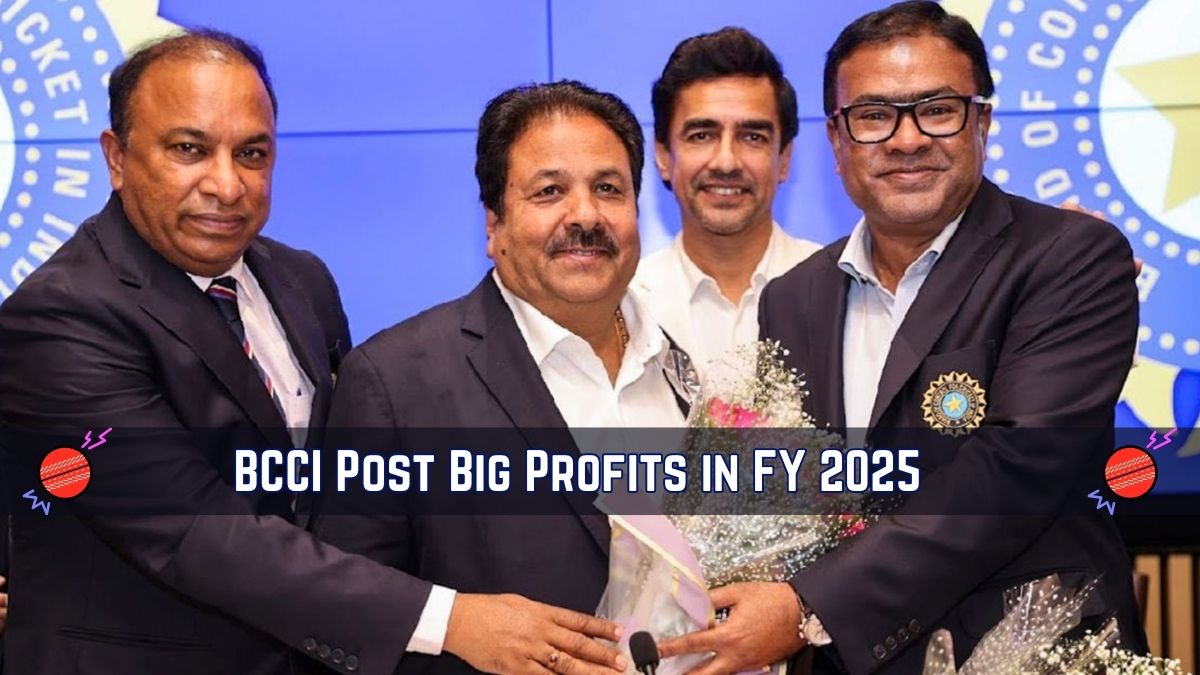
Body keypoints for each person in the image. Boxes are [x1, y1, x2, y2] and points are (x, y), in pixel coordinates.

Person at [658, 2, 1147, 673]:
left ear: (982, 122)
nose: (907, 139)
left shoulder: (1069, 256)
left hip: (1033, 655)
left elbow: (1016, 471)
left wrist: (808, 607)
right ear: (836, 140)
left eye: (937, 110)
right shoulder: (793, 298)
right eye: (873, 116)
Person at [0, 30, 454, 675]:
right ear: (117, 157)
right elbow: (194, 532)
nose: (227, 184)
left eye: (251, 153)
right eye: (189, 149)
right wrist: (445, 619)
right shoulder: (59, 317)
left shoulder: (302, 280)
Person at [313, 81, 688, 674]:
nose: (585, 215)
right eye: (549, 191)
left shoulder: (685, 366)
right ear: (494, 224)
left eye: (608, 189)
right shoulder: (395, 383)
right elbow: (344, 615)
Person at [633, 28, 820, 375]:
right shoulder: (626, 306)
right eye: (702, 135)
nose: (726, 162)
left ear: (784, 158)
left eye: (752, 137)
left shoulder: (836, 292)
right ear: (663, 156)